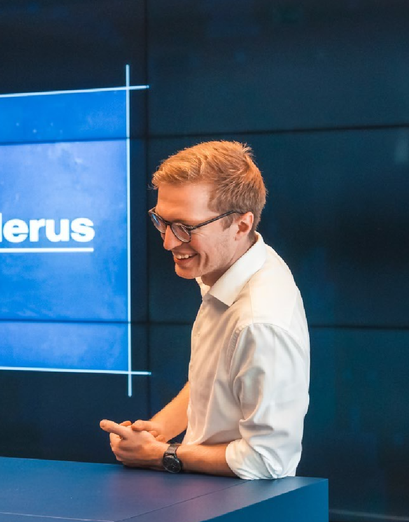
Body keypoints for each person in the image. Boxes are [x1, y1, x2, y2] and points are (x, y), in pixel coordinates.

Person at [100, 141, 309, 480]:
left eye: (186, 227)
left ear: (241, 225)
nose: (168, 242)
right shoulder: (234, 263)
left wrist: (159, 455)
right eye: (161, 221)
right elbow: (215, 382)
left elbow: (269, 460)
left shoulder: (259, 322)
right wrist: (157, 431)